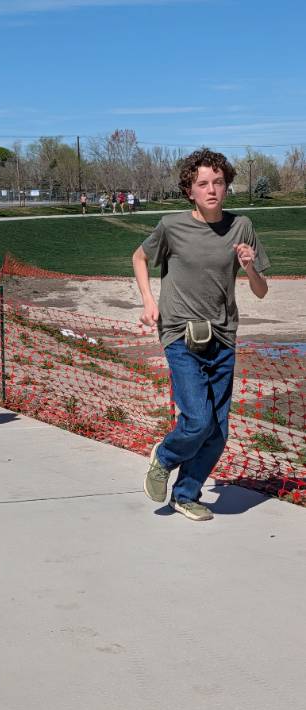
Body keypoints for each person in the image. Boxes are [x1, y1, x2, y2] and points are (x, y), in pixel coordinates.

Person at [132, 148, 269, 521]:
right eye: (203, 183)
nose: (211, 189)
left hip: (223, 336)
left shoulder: (241, 227)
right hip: (180, 334)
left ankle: (185, 494)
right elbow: (139, 258)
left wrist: (250, 267)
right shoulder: (171, 226)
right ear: (189, 190)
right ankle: (165, 457)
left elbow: (260, 290)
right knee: (197, 419)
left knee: (218, 431)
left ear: (226, 186)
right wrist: (149, 301)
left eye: (218, 182)